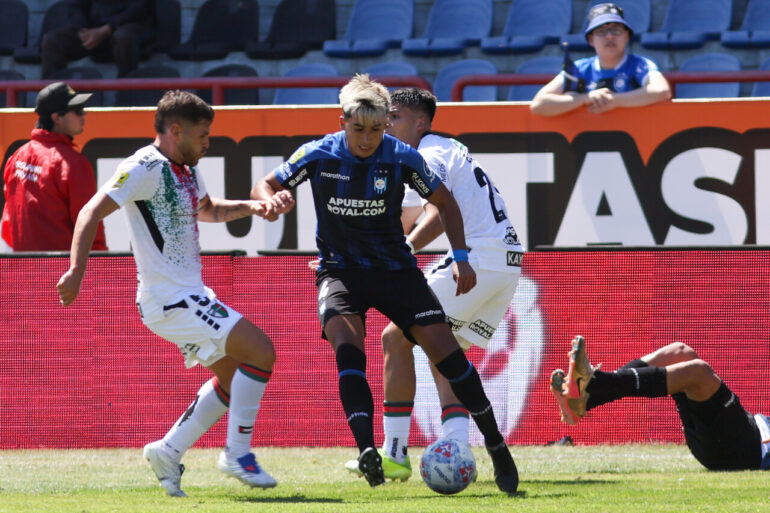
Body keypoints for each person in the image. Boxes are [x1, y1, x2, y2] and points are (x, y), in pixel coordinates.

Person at [250, 74, 519, 493]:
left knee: (449, 358)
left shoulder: (402, 156)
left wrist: (462, 257)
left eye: (376, 129)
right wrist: (270, 198)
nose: (367, 138)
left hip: (395, 271)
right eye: (358, 129)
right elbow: (268, 183)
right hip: (340, 272)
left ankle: (497, 446)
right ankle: (368, 451)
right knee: (347, 347)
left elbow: (444, 203)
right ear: (343, 122)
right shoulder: (318, 153)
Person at [56, 90, 295, 497]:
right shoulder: (143, 166)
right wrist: (77, 269)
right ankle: (238, 453)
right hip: (171, 299)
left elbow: (207, 209)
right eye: (203, 136)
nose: (207, 143)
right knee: (262, 351)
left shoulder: (184, 167)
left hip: (185, 296)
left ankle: (168, 451)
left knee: (236, 376)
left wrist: (255, 208)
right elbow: (90, 210)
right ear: (176, 130)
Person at [342, 88, 524, 482]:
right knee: (446, 349)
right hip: (506, 262)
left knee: (395, 338)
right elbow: (404, 218)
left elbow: (439, 214)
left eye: (396, 117)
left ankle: (393, 453)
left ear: (420, 122)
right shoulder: (436, 152)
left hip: (478, 258)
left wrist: (403, 249)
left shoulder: (429, 153)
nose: (386, 124)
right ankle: (457, 447)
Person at [550, 335, 770, 471]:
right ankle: (584, 401)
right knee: (680, 352)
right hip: (740, 435)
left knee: (699, 372)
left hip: (749, 450)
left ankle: (594, 385)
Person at [1, 82, 107, 252]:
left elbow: (8, 221)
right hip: (61, 272)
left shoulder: (17, 156)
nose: (84, 115)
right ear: (56, 117)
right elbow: (89, 224)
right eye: (78, 110)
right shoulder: (73, 163)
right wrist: (99, 265)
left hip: (21, 269)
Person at [530, 3, 671, 117]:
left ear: (627, 36)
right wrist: (584, 98)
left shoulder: (640, 64)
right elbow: (539, 105)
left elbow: (662, 91)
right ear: (591, 40)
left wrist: (613, 101)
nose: (609, 37)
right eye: (601, 32)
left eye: (616, 30)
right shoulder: (579, 69)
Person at [41, 0, 154, 78]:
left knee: (123, 36)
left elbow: (140, 8)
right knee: (52, 40)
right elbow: (77, 7)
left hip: (129, 26)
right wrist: (83, 30)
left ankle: (126, 96)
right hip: (94, 29)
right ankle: (53, 99)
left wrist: (107, 28)